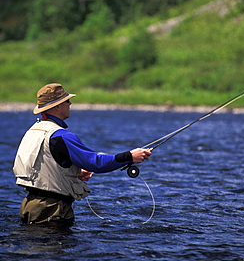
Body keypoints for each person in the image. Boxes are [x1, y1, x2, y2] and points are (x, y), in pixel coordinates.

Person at [13, 83, 152, 224]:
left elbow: (46, 164)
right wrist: (129, 157)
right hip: (52, 208)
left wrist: (75, 172)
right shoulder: (62, 135)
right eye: (66, 101)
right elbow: (96, 163)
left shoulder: (33, 131)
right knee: (52, 245)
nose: (70, 103)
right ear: (57, 106)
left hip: (29, 205)